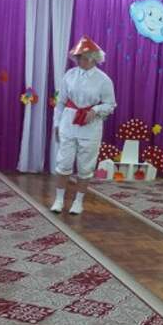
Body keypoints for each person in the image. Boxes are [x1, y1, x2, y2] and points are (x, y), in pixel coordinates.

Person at [50, 36, 116, 215]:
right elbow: (60, 102)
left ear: (94, 58)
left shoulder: (103, 80)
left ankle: (78, 202)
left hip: (90, 126)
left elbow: (110, 104)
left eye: (84, 57)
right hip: (69, 122)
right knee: (63, 162)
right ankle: (59, 200)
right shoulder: (70, 75)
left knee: (85, 166)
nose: (80, 60)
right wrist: (57, 123)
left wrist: (95, 110)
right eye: (78, 57)